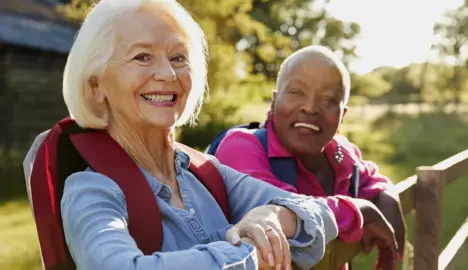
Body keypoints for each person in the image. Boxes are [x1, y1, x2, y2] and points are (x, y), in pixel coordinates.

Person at [21, 1, 347, 270]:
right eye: (142, 56)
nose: (168, 74)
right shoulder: (91, 190)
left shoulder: (206, 173)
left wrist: (273, 215)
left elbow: (318, 213)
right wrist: (249, 255)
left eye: (179, 58)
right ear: (96, 86)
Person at [215, 45, 406, 269]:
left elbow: (371, 178)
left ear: (342, 115)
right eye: (296, 92)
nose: (310, 107)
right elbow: (282, 213)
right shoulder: (242, 146)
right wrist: (359, 210)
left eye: (327, 99)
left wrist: (388, 198)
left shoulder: (340, 155)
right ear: (274, 101)